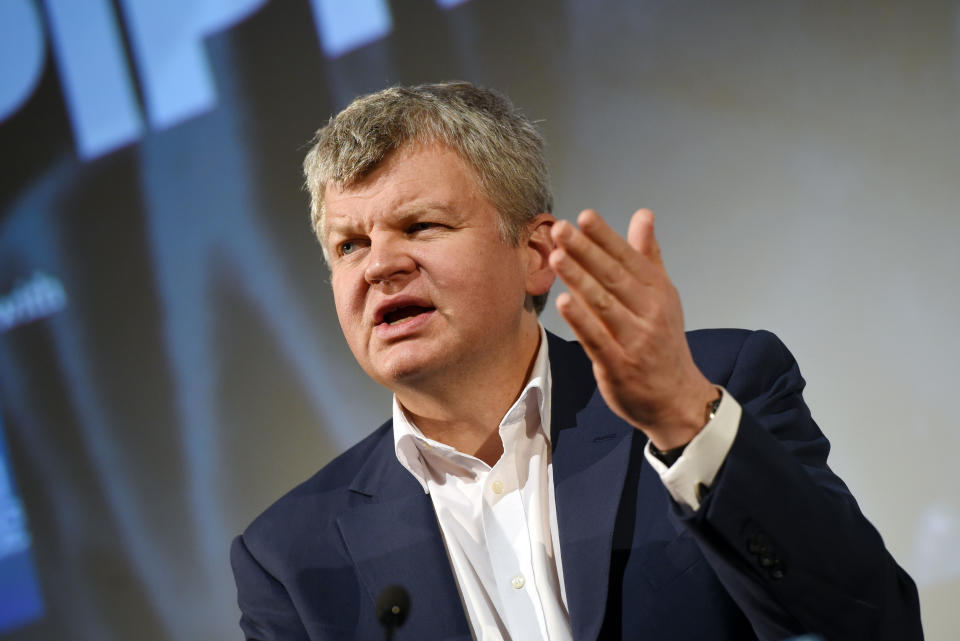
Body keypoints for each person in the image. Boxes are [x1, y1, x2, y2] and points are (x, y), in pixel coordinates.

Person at [230, 82, 923, 641]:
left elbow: (872, 623)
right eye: (349, 245)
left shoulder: (716, 383)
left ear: (535, 256)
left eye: (421, 226)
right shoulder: (291, 557)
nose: (379, 264)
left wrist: (684, 417)